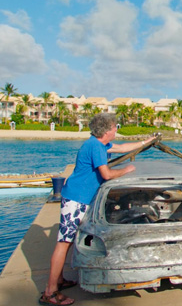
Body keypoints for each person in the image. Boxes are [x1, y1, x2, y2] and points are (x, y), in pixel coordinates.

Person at [40, 113, 153, 306]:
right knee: (63, 243)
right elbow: (107, 174)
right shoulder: (95, 147)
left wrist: (146, 142)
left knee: (67, 242)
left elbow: (123, 147)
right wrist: (126, 170)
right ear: (107, 130)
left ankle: (58, 280)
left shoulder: (99, 144)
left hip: (79, 197)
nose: (117, 129)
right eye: (115, 127)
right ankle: (50, 292)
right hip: (76, 199)